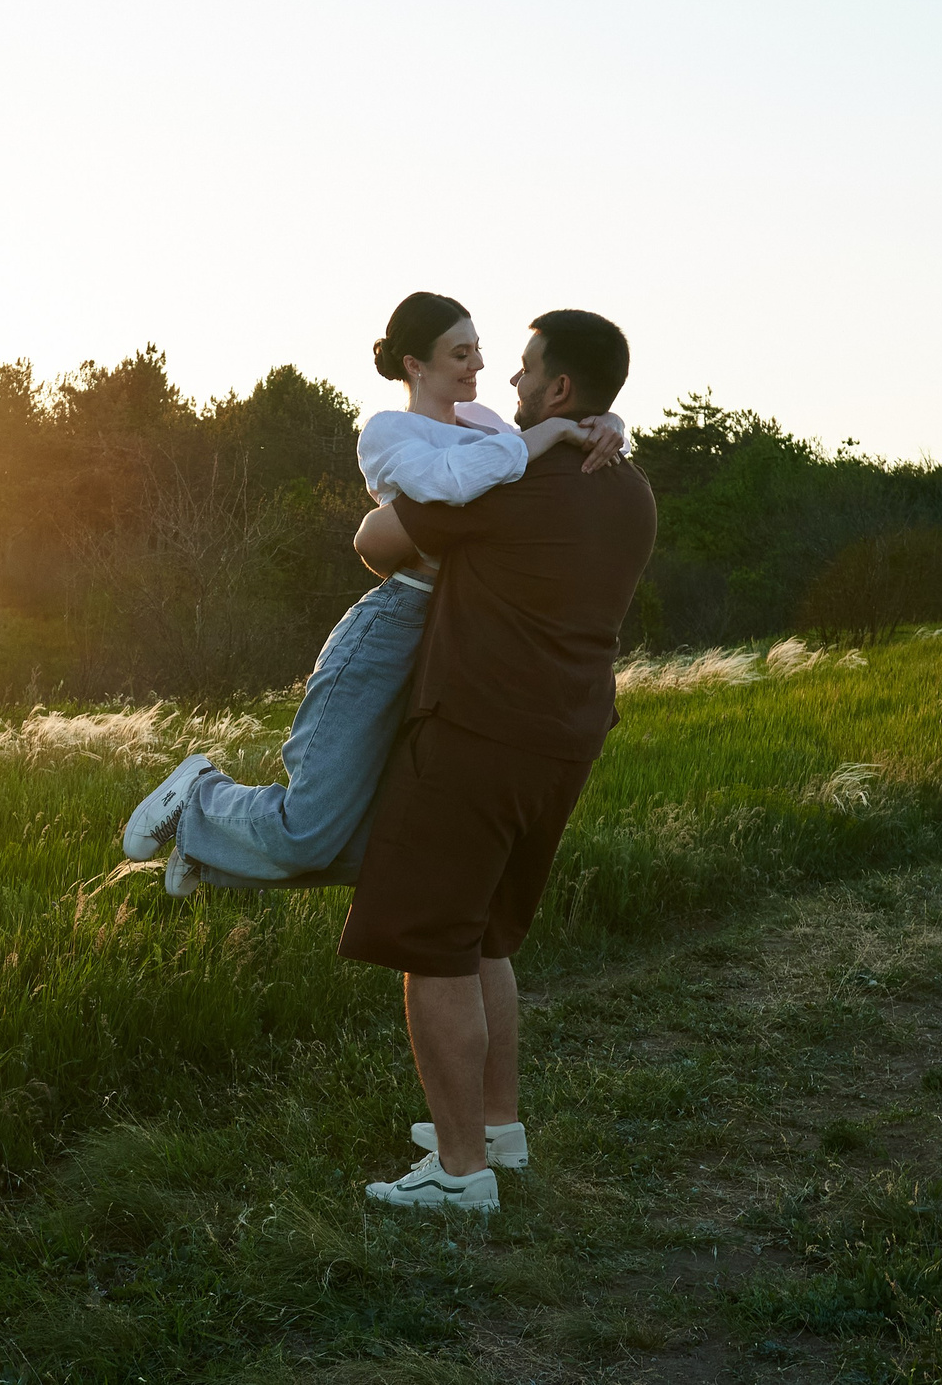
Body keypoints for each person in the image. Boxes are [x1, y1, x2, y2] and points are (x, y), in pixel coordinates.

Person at [121, 292, 626, 893]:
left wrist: (607, 423)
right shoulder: (390, 432)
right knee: (309, 829)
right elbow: (450, 484)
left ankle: (208, 856)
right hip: (392, 627)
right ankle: (198, 794)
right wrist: (544, 439)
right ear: (416, 364)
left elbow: (561, 453)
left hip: (456, 634)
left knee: (395, 842)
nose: (477, 367)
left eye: (478, 351)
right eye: (459, 354)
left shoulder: (492, 423)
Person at [342, 309, 657, 1213]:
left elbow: (375, 544)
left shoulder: (506, 486)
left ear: (561, 389)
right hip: (567, 737)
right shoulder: (631, 488)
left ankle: (458, 1169)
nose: (510, 385)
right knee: (485, 933)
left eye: (524, 372)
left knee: (432, 941)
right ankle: (498, 1128)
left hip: (478, 732)